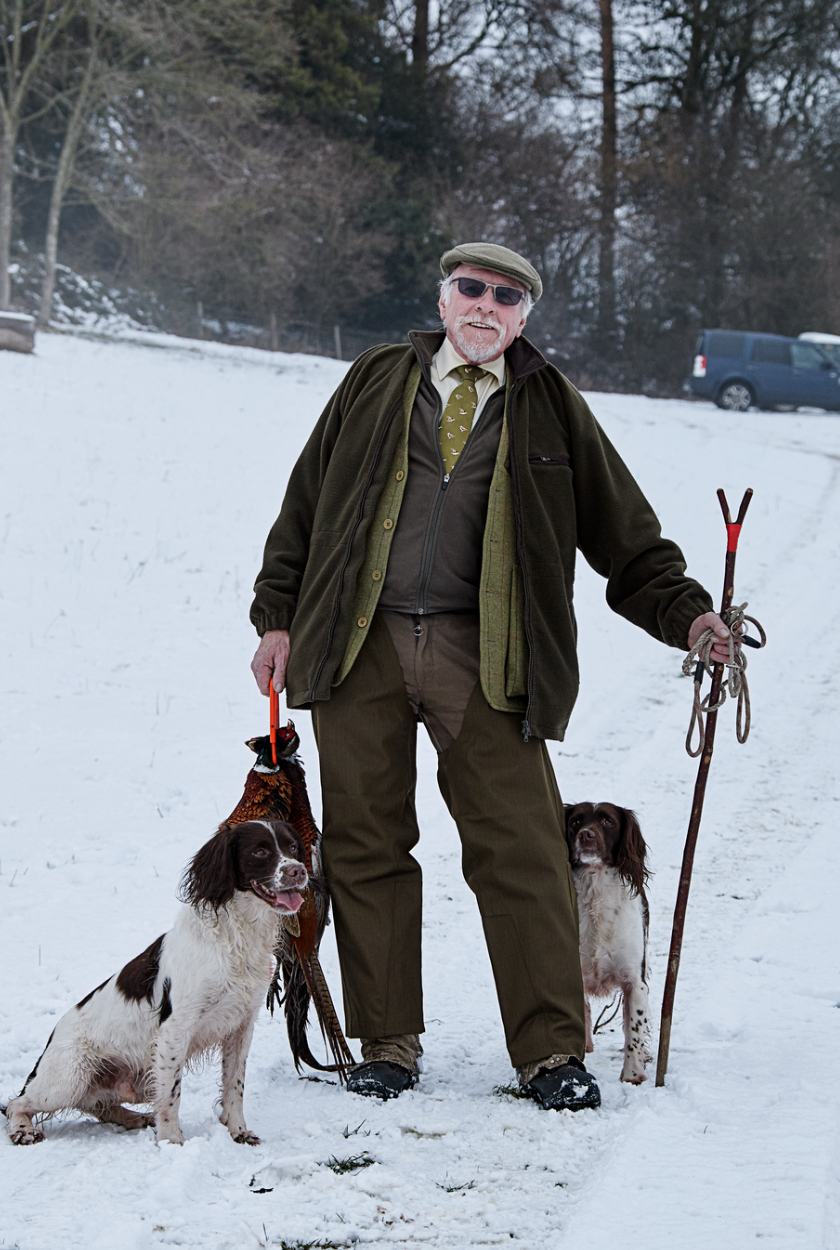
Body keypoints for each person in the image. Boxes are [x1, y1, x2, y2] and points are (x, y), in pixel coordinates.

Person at [249, 241, 729, 1109]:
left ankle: (551, 1053)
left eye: (507, 297)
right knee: (365, 846)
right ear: (444, 301)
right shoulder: (375, 379)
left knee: (523, 849)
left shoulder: (551, 405)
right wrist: (275, 616)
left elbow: (628, 539)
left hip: (491, 656)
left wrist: (689, 617)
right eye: (471, 288)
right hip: (361, 647)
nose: (486, 305)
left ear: (522, 317)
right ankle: (387, 1041)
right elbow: (304, 508)